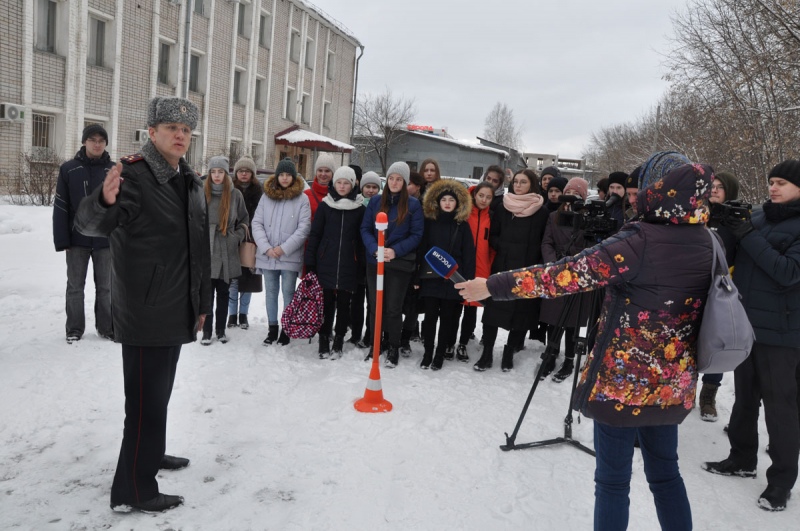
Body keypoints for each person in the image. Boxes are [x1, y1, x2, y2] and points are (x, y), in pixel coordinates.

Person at [457, 152, 713, 529]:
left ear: (657, 189)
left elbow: (564, 275)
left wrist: (493, 285)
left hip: (622, 384)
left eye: (642, 185)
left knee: (612, 482)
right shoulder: (707, 239)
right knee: (666, 476)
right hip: (670, 383)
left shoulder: (640, 239)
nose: (633, 193)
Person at [74, 96, 211, 513]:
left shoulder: (184, 177)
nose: (180, 135)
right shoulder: (133, 176)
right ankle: (133, 488)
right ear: (152, 133)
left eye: (186, 130)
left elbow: (196, 250)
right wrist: (103, 201)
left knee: (159, 397)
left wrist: (201, 304)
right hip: (146, 309)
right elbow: (90, 223)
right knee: (144, 404)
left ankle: (150, 454)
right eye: (171, 128)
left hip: (175, 306)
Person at [703, 160, 800, 512]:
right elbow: (728, 255)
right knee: (744, 399)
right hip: (745, 324)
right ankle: (741, 459)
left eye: (783, 183)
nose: (774, 187)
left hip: (783, 332)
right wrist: (725, 227)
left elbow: (787, 272)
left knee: (781, 408)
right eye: (772, 181)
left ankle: (781, 483)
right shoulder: (758, 216)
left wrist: (747, 234)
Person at [480, 169, 548, 371]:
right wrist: (505, 248)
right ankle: (487, 352)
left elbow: (544, 240)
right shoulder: (503, 206)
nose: (518, 185)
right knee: (493, 310)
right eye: (516, 181)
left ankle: (509, 351)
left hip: (527, 269)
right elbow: (493, 234)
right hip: (502, 265)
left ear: (532, 185)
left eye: (523, 182)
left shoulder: (541, 211)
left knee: (521, 312)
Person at [53, 123, 115, 343]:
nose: (97, 144)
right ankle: (74, 328)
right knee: (75, 287)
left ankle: (107, 327)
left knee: (106, 287)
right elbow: (61, 206)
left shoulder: (114, 170)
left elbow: (122, 207)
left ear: (106, 143)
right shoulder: (69, 169)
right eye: (92, 140)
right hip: (77, 240)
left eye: (101, 140)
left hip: (105, 241)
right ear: (84, 142)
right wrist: (62, 239)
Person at [360, 161, 424, 367]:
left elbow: (416, 235)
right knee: (375, 306)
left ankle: (393, 346)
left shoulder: (413, 205)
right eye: (391, 178)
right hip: (375, 261)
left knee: (393, 308)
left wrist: (395, 251)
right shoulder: (376, 202)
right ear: (386, 180)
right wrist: (374, 248)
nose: (395, 182)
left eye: (399, 179)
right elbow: (365, 229)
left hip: (398, 264)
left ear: (405, 182)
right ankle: (375, 344)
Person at [305, 166, 365, 359]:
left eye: (346, 183)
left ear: (353, 184)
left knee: (344, 304)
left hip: (350, 263)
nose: (342, 186)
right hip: (326, 262)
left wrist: (361, 263)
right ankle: (324, 337)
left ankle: (339, 339)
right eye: (338, 182)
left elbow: (363, 240)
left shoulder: (359, 208)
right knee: (327, 304)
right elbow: (315, 235)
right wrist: (311, 262)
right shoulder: (325, 205)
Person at [539, 177, 595, 383]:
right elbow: (547, 241)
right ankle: (551, 355)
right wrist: (553, 263)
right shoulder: (554, 216)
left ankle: (570, 359)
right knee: (553, 319)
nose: (571, 196)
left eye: (577, 193)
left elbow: (591, 246)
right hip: (556, 272)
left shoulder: (587, 217)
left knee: (572, 320)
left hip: (577, 273)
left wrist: (574, 261)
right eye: (569, 191)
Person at [416, 178, 475, 370]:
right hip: (431, 278)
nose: (448, 203)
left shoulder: (462, 226)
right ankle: (427, 353)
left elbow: (468, 255)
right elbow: (421, 249)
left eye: (451, 200)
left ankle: (439, 354)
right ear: (437, 202)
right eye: (444, 200)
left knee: (448, 320)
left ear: (457, 203)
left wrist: (467, 281)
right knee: (430, 318)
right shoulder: (429, 223)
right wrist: (417, 275)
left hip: (453, 280)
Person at [252, 157, 311, 346]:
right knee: (271, 292)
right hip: (268, 255)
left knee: (288, 293)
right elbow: (257, 223)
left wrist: (283, 248)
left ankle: (286, 329)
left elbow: (303, 228)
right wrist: (267, 248)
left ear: (294, 178)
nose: (285, 178)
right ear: (277, 176)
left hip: (289, 255)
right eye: (282, 175)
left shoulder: (302, 199)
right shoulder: (266, 196)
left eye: (288, 175)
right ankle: (272, 329)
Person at [698, 170, 741, 421]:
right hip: (694, 285)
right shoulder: (697, 214)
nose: (713, 190)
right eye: (711, 186)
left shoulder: (736, 221)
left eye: (719, 187)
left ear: (730, 192)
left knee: (717, 342)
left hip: (722, 289)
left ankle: (708, 395)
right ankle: (683, 389)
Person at [201, 156, 248, 345]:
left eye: (220, 172)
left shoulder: (235, 194)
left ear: (226, 173)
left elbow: (244, 219)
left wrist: (235, 236)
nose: (217, 175)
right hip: (207, 249)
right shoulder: (201, 192)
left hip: (227, 249)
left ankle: (220, 330)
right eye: (213, 172)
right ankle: (206, 331)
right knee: (206, 294)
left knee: (223, 292)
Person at [455, 182, 496, 370]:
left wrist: (488, 266)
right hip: (461, 267)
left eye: (488, 197)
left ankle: (463, 343)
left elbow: (493, 246)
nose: (484, 200)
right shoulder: (464, 212)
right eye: (481, 196)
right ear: (475, 194)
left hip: (481, 269)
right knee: (454, 308)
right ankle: (448, 341)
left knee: (471, 308)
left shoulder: (492, 217)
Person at [227, 156, 263, 330]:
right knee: (232, 279)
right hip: (232, 239)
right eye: (241, 171)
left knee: (248, 278)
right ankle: (232, 315)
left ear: (252, 174)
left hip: (251, 241)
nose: (243, 174)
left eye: (247, 171)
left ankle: (244, 314)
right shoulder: (229, 189)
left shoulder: (259, 192)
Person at [349, 171, 382, 347]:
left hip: (374, 260)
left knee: (372, 302)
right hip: (357, 260)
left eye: (374, 187)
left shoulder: (382, 208)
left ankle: (370, 334)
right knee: (356, 301)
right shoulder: (356, 206)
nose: (370, 190)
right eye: (368, 187)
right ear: (362, 188)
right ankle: (355, 333)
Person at [305, 152, 338, 219]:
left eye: (327, 171)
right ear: (316, 172)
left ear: (333, 173)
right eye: (320, 170)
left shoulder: (339, 194)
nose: (323, 174)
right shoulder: (306, 195)